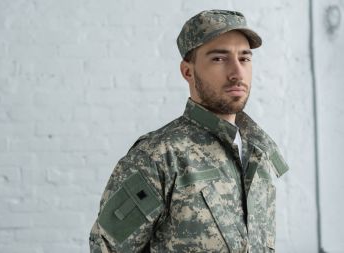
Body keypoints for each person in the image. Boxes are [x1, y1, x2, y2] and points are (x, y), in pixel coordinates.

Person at [89, 9, 289, 253]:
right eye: (219, 58)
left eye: (244, 58)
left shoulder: (259, 151)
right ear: (188, 71)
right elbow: (106, 248)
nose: (237, 73)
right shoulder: (159, 156)